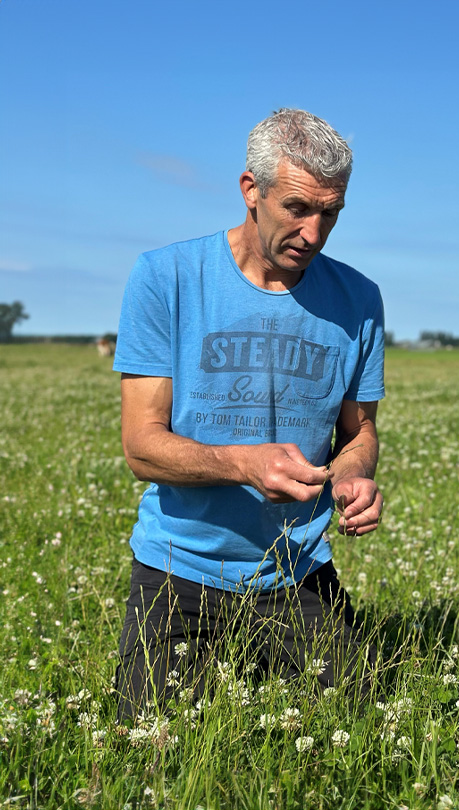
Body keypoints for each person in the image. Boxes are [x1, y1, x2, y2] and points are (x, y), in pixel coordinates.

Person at [112, 108, 385, 720]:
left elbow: (359, 431)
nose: (314, 233)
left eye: (331, 213)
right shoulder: (165, 278)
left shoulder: (360, 300)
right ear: (250, 190)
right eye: (297, 208)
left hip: (297, 571)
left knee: (357, 724)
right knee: (151, 743)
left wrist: (353, 476)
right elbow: (141, 447)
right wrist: (243, 462)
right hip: (178, 568)